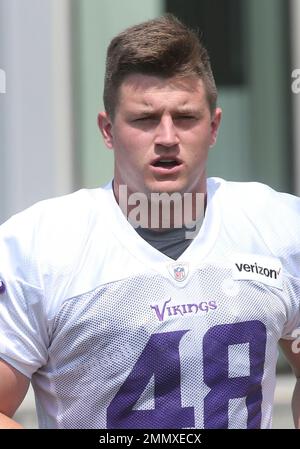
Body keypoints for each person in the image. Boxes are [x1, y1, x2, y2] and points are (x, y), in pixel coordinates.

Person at [0, 14, 299, 430]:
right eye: (144, 119)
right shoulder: (38, 247)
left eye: (186, 118)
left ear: (213, 127)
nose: (166, 137)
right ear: (108, 130)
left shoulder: (279, 227)